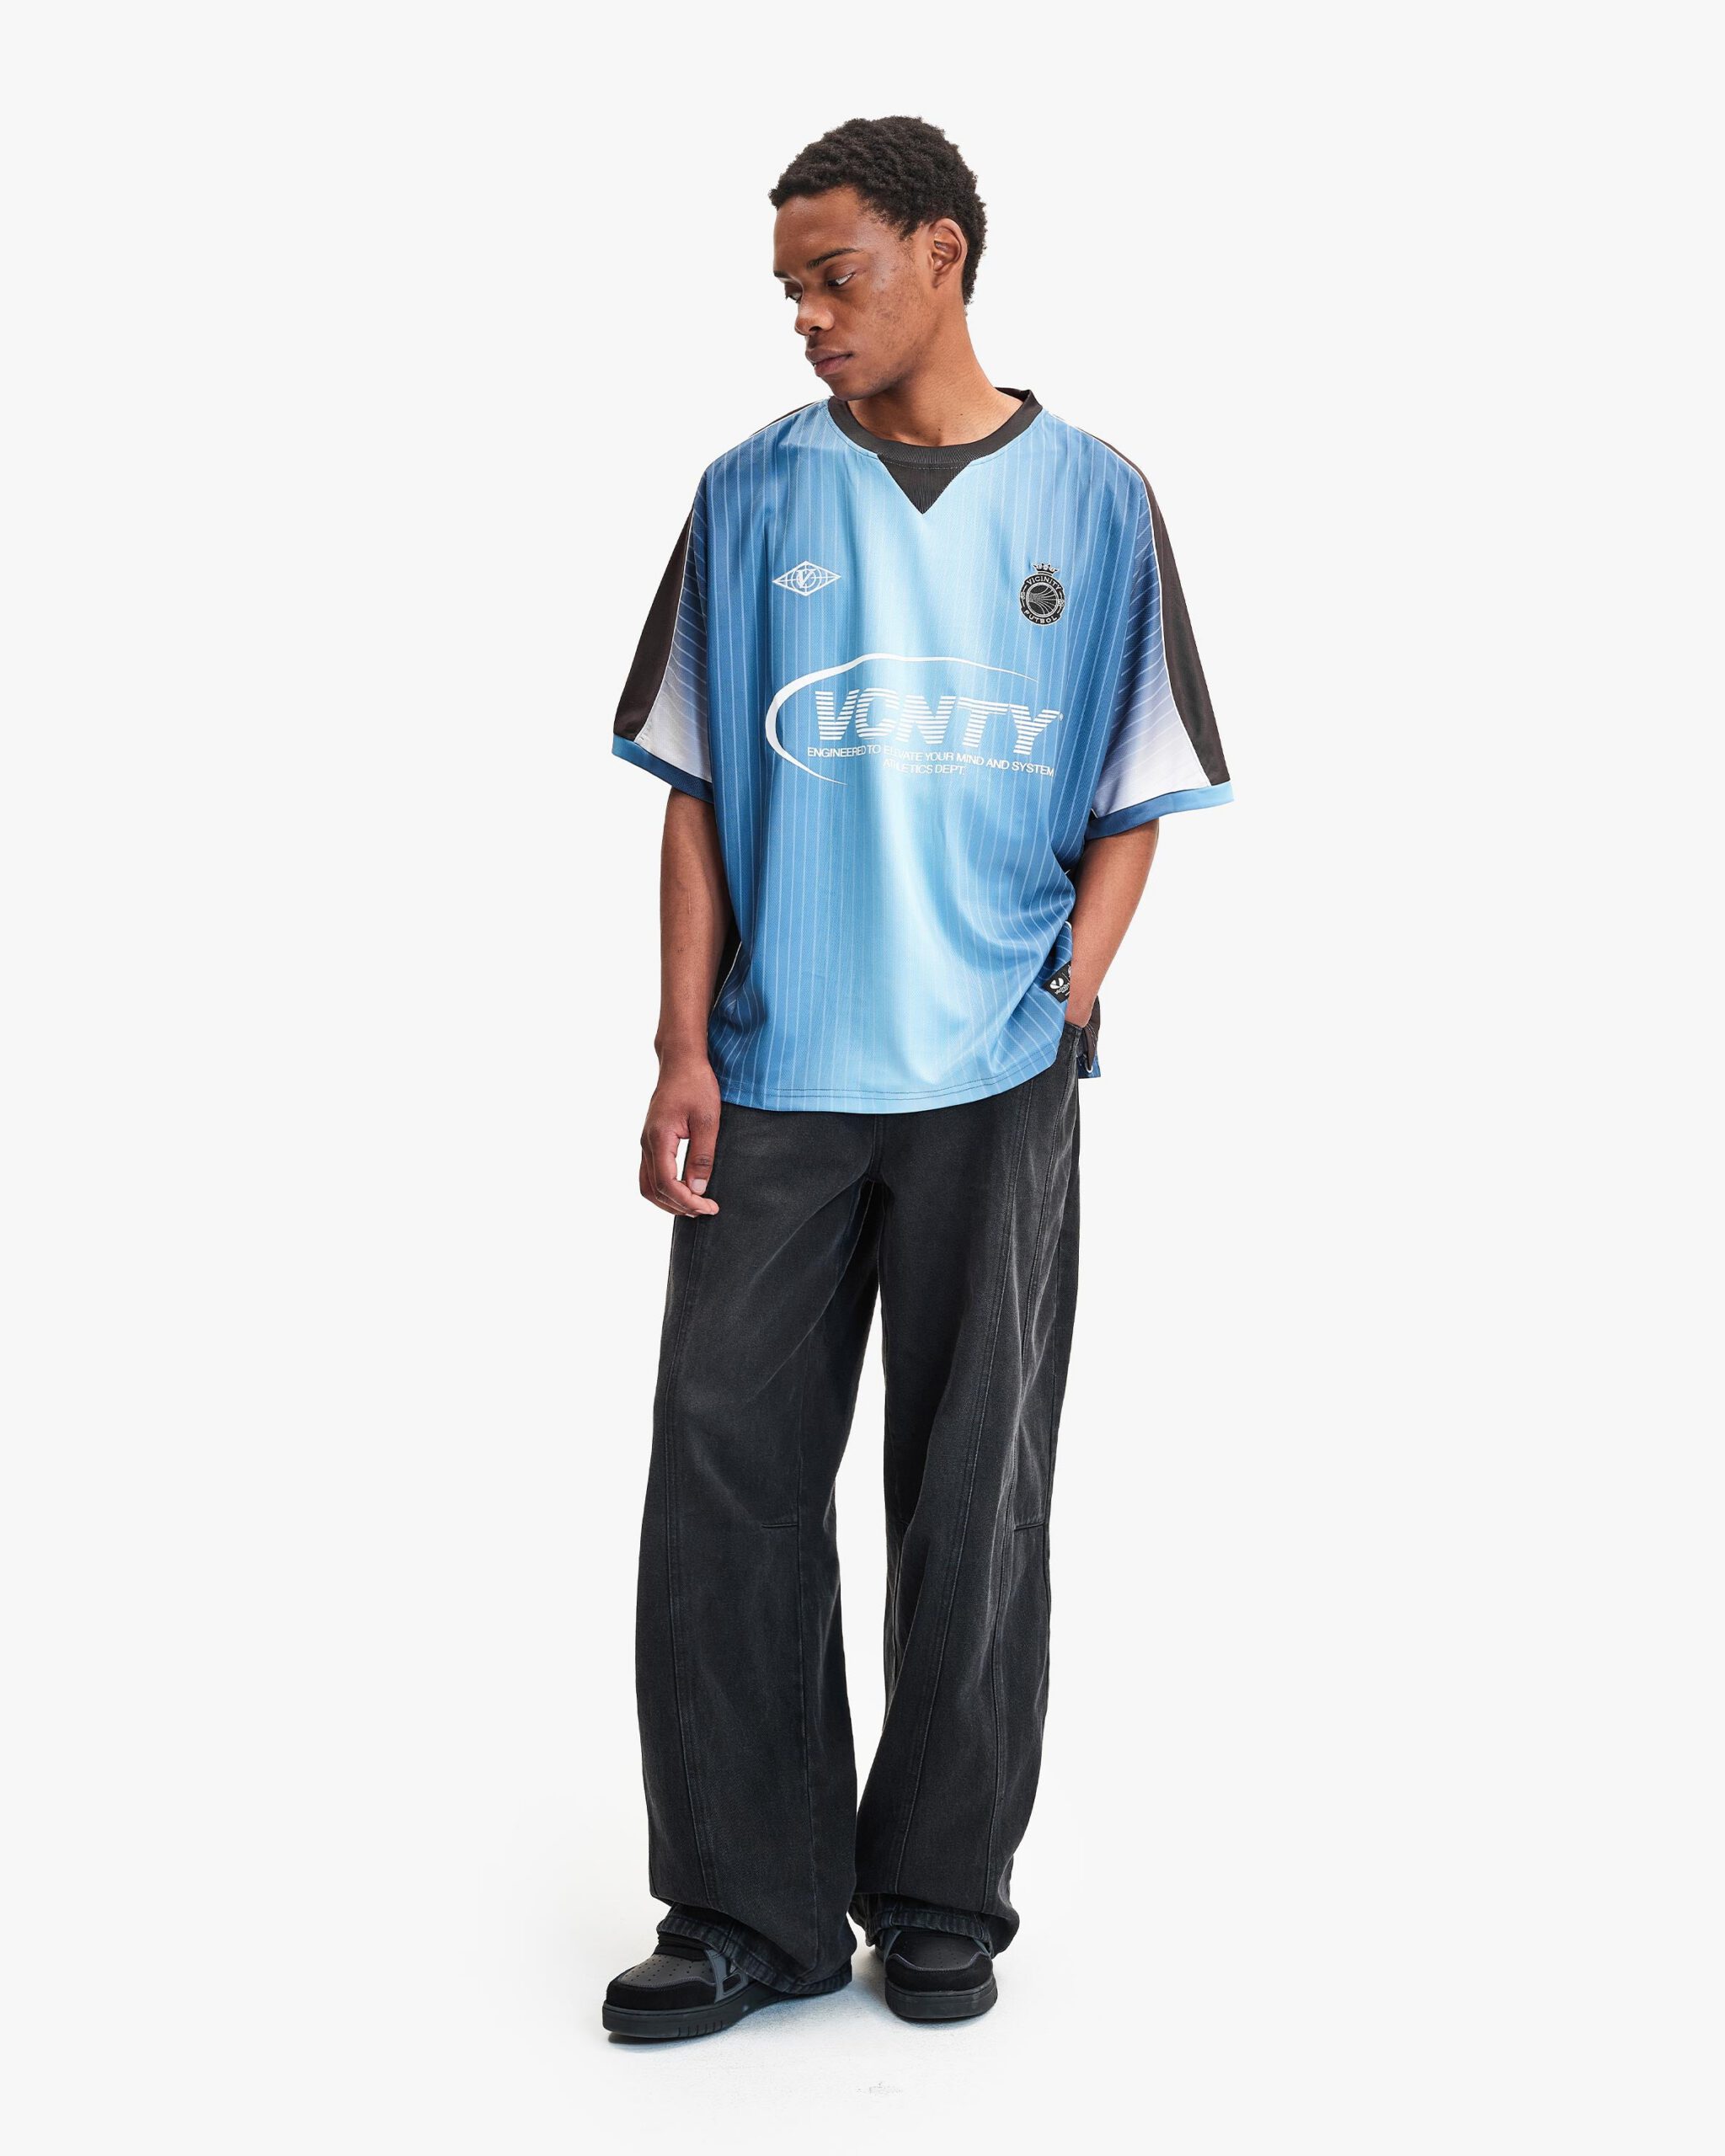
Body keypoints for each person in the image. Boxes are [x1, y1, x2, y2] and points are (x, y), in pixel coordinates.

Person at [603, 115, 1232, 2040]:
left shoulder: (1096, 501)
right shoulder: (749, 494)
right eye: (788, 288)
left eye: (837, 275)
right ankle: (750, 1910)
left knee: (976, 1490)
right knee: (725, 1481)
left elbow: (1136, 783)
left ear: (941, 254)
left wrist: (1070, 991)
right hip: (781, 1067)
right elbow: (694, 788)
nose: (807, 314)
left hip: (993, 1073)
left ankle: (943, 1894)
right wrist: (681, 1040)